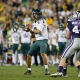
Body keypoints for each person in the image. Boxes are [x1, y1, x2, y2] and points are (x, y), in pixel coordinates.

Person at [50, 10, 80, 77]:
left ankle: (60, 71)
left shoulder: (71, 22)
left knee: (63, 56)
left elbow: (68, 36)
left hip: (75, 41)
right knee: (75, 60)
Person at [24, 9, 49, 75]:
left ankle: (46, 69)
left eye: (37, 14)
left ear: (40, 14)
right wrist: (28, 29)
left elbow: (38, 31)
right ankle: (29, 70)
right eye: (35, 14)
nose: (36, 15)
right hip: (37, 40)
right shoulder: (34, 22)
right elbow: (33, 33)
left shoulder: (42, 20)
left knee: (42, 53)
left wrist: (31, 28)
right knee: (29, 55)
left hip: (43, 40)